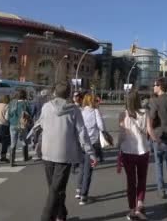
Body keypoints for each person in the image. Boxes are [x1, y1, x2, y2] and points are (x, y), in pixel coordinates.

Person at [37, 83, 96, 221]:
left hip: (47, 151)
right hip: (64, 153)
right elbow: (82, 133)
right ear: (69, 94)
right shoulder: (74, 110)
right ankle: (47, 217)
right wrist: (90, 152)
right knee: (56, 189)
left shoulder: (46, 107)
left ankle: (61, 215)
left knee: (55, 187)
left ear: (54, 93)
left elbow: (41, 125)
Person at [147, 77, 167, 209]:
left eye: (155, 85)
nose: (153, 87)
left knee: (158, 164)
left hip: (159, 136)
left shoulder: (154, 101)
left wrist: (153, 131)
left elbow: (151, 118)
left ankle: (161, 190)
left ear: (160, 86)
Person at [118, 91, 150, 220]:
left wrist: (117, 146)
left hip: (128, 152)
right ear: (138, 100)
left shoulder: (123, 115)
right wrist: (156, 140)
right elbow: (149, 131)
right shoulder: (145, 113)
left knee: (131, 182)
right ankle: (140, 205)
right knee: (142, 179)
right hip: (143, 151)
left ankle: (132, 209)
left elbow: (121, 135)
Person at [75, 93, 106, 205]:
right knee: (88, 170)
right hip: (92, 142)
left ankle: (78, 190)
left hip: (80, 143)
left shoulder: (80, 111)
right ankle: (84, 195)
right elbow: (101, 126)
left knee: (82, 168)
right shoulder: (95, 111)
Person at [7, 89, 32, 167]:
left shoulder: (12, 103)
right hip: (22, 125)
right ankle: (25, 157)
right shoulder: (25, 103)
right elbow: (30, 113)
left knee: (13, 143)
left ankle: (12, 161)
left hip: (13, 124)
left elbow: (8, 114)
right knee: (24, 140)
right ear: (24, 95)